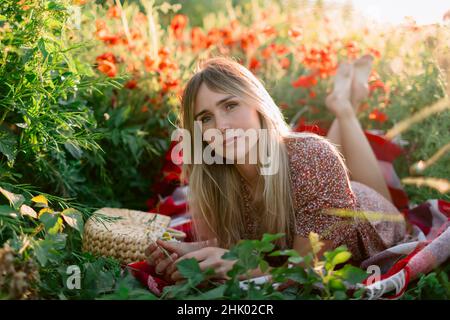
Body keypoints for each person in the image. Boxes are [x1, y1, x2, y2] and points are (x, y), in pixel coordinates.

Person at [145, 56, 406, 283]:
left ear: (257, 105)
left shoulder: (313, 158)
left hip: (372, 218)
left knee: (332, 164)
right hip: (326, 185)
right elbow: (234, 246)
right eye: (205, 118)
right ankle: (345, 102)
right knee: (326, 164)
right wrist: (190, 251)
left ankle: (345, 106)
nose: (221, 126)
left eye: (230, 105)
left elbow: (304, 272)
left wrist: (239, 267)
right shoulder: (215, 180)